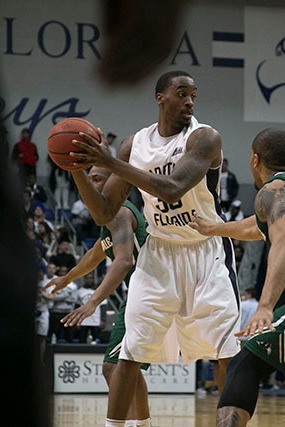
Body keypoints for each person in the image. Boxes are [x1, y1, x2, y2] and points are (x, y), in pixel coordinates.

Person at [66, 70, 241, 426]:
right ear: (161, 98)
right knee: (130, 352)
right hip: (159, 252)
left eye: (194, 95)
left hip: (206, 251)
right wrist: (76, 169)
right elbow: (103, 211)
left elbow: (173, 188)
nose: (190, 101)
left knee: (226, 351)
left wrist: (112, 161)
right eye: (182, 94)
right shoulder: (136, 144)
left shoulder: (205, 138)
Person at [189, 128, 285, 426]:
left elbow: (282, 240)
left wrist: (265, 305)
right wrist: (214, 228)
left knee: (244, 362)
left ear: (255, 160)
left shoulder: (273, 191)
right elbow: (257, 227)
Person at [45, 165, 151, 427]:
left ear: (116, 186)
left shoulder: (119, 213)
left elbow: (124, 261)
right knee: (127, 367)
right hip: (146, 294)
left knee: (114, 367)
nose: (90, 185)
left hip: (148, 295)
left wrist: (92, 302)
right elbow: (96, 253)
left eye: (97, 179)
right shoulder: (110, 219)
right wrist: (67, 277)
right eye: (88, 179)